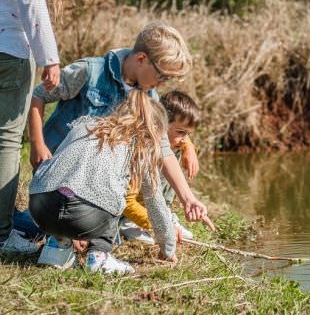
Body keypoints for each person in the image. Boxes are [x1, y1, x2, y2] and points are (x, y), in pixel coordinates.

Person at [27, 22, 210, 268]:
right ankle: (88, 246)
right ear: (142, 59)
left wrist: (188, 198)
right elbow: (38, 95)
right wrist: (37, 143)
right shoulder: (91, 71)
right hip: (58, 171)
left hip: (86, 188)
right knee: (114, 189)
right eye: (162, 75)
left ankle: (63, 239)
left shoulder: (149, 98)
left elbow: (163, 150)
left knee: (87, 202)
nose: (163, 83)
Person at [29, 90, 211, 274]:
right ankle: (98, 256)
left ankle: (56, 246)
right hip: (83, 216)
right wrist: (168, 247)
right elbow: (155, 201)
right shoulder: (138, 145)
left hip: (40, 209)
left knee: (69, 183)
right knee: (112, 189)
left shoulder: (87, 125)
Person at [0, 0, 75, 254]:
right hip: (9, 51)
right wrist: (50, 58)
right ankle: (2, 235)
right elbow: (32, 5)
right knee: (6, 141)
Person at [121, 90, 200, 243]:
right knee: (168, 154)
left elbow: (179, 138)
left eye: (188, 134)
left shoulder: (171, 140)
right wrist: (160, 225)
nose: (185, 139)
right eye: (181, 132)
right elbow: (127, 202)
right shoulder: (141, 150)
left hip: (146, 204)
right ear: (160, 123)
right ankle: (129, 223)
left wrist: (189, 147)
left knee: (173, 151)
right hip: (125, 210)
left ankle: (165, 211)